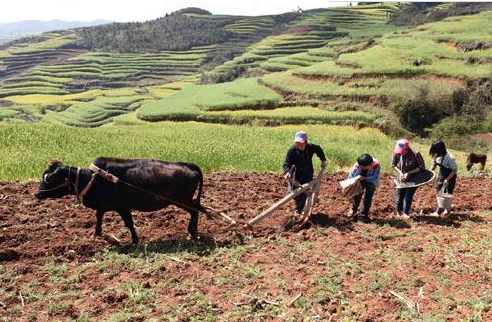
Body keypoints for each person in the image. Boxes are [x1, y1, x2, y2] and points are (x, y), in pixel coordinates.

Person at [283, 131, 327, 216]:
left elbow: (318, 149)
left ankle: (299, 211)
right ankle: (300, 207)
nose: (298, 145)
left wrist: (323, 159)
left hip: (307, 172)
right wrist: (287, 172)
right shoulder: (292, 150)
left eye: (301, 143)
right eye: (297, 143)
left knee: (303, 193)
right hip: (296, 174)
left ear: (306, 142)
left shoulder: (311, 147)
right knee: (294, 192)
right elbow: (286, 164)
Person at [391, 139, 425, 219]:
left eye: (402, 151)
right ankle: (399, 212)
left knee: (408, 194)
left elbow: (421, 167)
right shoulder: (397, 152)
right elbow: (393, 165)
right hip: (402, 177)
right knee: (400, 194)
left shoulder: (415, 154)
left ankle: (406, 212)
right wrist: (400, 172)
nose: (400, 153)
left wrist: (409, 173)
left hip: (414, 177)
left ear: (406, 149)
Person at [347, 154, 380, 223]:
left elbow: (375, 176)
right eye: (362, 167)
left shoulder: (376, 165)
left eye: (371, 165)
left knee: (368, 197)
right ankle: (353, 209)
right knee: (357, 195)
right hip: (360, 181)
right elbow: (351, 177)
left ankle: (364, 214)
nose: (371, 166)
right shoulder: (357, 166)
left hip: (371, 181)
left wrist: (365, 178)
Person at [429, 140, 457, 216]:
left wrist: (447, 179)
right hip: (442, 175)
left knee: (446, 193)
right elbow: (434, 165)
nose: (434, 154)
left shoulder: (450, 158)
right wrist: (429, 172)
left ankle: (438, 212)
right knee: (439, 191)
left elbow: (454, 170)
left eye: (436, 152)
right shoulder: (436, 155)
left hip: (450, 176)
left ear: (440, 151)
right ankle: (447, 209)